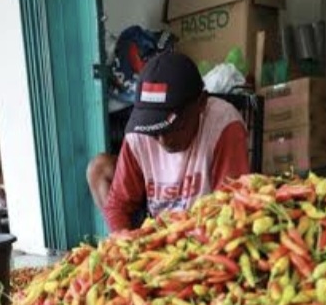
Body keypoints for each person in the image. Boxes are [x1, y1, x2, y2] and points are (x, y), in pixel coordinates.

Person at [86, 52, 251, 233]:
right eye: (154, 131)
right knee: (98, 168)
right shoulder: (139, 131)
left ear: (201, 104)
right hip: (158, 230)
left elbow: (231, 207)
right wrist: (124, 243)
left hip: (205, 229)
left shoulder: (223, 123)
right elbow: (117, 205)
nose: (163, 140)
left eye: (173, 127)